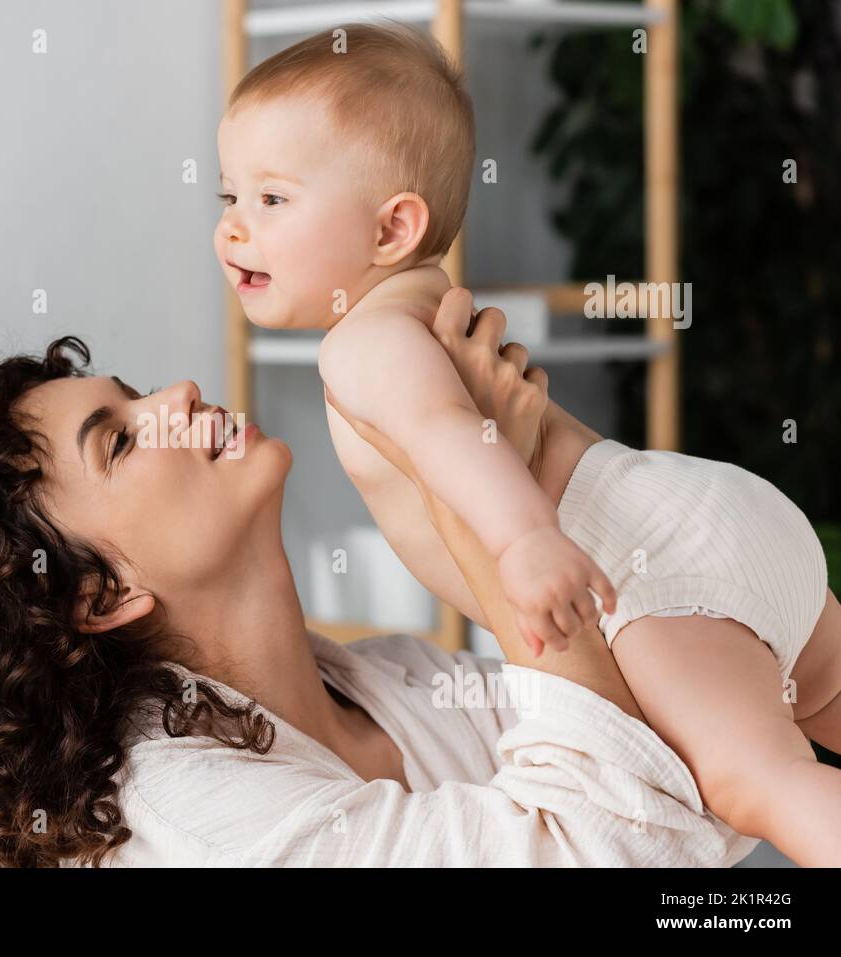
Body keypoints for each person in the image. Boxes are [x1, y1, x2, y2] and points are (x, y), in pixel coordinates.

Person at [214, 19, 841, 865]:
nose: (234, 229)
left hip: (648, 572)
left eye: (271, 199)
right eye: (228, 197)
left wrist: (526, 539)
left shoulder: (360, 341)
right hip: (702, 513)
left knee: (755, 778)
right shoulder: (424, 298)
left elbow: (450, 430)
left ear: (391, 230)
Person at [0, 292, 760, 867]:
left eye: (136, 393)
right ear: (100, 596)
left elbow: (705, 769)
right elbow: (627, 846)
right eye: (122, 439)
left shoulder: (396, 680)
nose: (179, 395)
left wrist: (502, 474)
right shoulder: (188, 818)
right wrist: (476, 484)